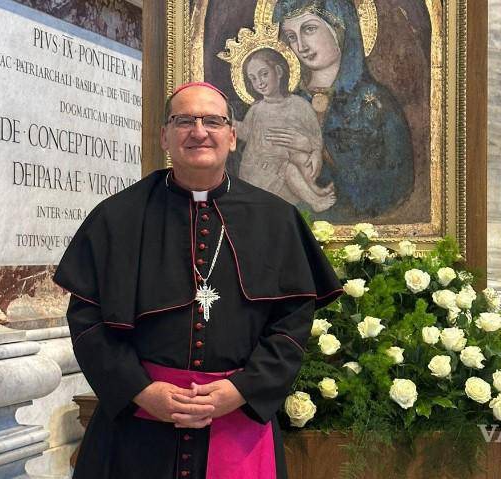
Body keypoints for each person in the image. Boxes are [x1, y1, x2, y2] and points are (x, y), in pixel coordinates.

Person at [53, 81, 343, 479]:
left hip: (237, 421)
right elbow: (87, 320)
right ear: (165, 136)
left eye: (213, 121)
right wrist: (140, 390)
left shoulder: (276, 219)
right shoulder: (117, 217)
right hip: (136, 430)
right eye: (184, 121)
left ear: (233, 136)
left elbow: (292, 323)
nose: (199, 131)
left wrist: (243, 389)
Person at [273, 0, 414, 221]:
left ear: (340, 28)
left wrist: (321, 150)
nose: (301, 46)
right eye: (291, 36)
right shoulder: (288, 103)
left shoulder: (376, 103)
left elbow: (394, 184)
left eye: (309, 29)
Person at [234, 47, 336, 212]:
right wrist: (231, 124)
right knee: (288, 168)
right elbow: (245, 132)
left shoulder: (299, 105)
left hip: (285, 160)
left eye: (264, 74)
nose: (259, 82)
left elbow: (315, 136)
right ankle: (315, 201)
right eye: (253, 78)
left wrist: (316, 152)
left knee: (302, 158)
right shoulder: (257, 109)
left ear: (279, 71)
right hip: (259, 171)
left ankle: (315, 190)